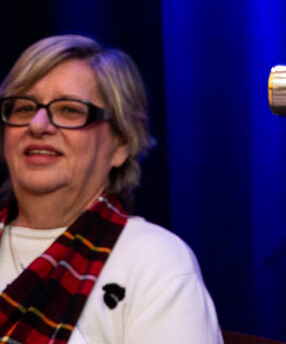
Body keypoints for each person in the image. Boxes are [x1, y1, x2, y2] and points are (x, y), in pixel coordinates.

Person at [0, 34, 222, 343]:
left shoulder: (155, 261)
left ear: (121, 143)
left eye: (69, 110)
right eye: (22, 108)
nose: (37, 125)